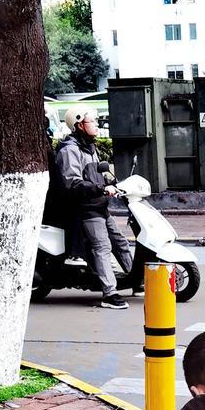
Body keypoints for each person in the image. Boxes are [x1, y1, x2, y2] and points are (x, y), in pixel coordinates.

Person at [55, 108, 134, 309]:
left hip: (99, 205)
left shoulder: (90, 147)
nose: (97, 124)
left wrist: (111, 182)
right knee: (103, 247)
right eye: (93, 121)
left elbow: (98, 174)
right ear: (80, 124)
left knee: (121, 243)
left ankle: (137, 280)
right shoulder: (70, 150)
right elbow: (72, 183)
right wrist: (101, 188)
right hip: (85, 208)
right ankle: (109, 294)